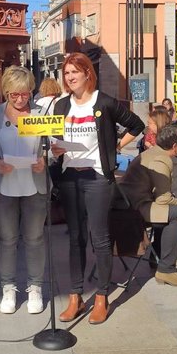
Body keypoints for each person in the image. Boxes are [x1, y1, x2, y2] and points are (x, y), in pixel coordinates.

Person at [51, 53, 145, 325]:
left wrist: (113, 147)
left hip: (97, 179)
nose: (69, 77)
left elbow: (136, 125)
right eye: (66, 73)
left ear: (87, 74)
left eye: (74, 72)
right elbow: (55, 137)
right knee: (75, 238)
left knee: (100, 238)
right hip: (70, 177)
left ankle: (102, 297)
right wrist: (55, 148)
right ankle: (75, 296)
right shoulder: (61, 105)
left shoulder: (103, 102)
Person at [0, 66, 48, 315]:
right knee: (7, 239)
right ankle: (8, 288)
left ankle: (35, 288)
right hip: (4, 187)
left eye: (25, 94)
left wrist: (46, 160)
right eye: (14, 95)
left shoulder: (41, 113)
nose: (20, 99)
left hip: (34, 186)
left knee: (34, 239)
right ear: (6, 92)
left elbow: (54, 146)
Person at [120, 125, 177, 287]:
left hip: (131, 203)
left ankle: (157, 260)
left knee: (168, 211)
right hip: (133, 210)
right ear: (175, 146)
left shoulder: (153, 152)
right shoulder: (161, 160)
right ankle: (167, 270)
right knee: (176, 213)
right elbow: (163, 199)